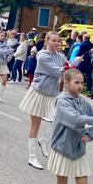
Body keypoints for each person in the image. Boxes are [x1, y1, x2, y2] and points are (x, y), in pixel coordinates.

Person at [19, 32, 81, 169]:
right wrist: (72, 64)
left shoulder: (60, 56)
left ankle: (44, 140)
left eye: (59, 41)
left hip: (54, 94)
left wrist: (72, 64)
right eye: (54, 41)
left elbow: (66, 71)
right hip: (39, 92)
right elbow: (58, 72)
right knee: (35, 125)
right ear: (47, 41)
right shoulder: (42, 56)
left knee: (60, 121)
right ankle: (32, 156)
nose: (57, 43)